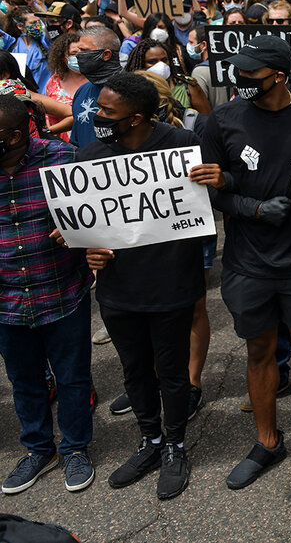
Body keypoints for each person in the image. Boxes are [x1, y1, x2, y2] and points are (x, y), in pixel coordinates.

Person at [195, 35, 291, 496]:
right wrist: (251, 208)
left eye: (251, 77)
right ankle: (267, 442)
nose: (240, 83)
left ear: (279, 76)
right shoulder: (223, 120)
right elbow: (211, 187)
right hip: (247, 261)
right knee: (258, 350)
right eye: (237, 76)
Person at [77, 72, 203, 500]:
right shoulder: (92, 154)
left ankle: (176, 445)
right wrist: (88, 251)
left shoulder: (182, 148)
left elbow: (205, 207)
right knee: (134, 370)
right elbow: (89, 223)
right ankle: (149, 440)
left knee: (171, 370)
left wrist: (216, 179)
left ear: (135, 118)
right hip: (118, 288)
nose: (98, 115)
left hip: (171, 282)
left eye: (108, 111)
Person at [0, 94, 94, 494]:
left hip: (61, 291)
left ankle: (75, 448)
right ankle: (39, 449)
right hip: (7, 302)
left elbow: (97, 214)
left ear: (17, 133)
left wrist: (77, 229)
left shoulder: (62, 159)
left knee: (72, 378)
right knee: (24, 380)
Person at [70, 26, 124, 148]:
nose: (78, 56)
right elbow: (77, 141)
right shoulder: (82, 91)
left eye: (84, 51)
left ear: (106, 55)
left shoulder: (130, 91)